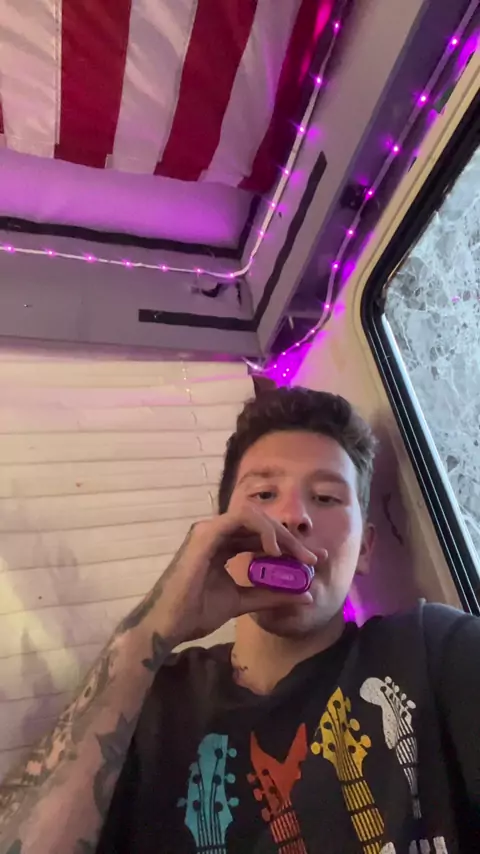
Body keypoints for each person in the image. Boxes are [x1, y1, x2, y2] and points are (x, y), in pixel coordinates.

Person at [0, 387, 479, 854]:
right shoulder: (143, 701)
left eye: (326, 497)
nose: (293, 516)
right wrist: (149, 632)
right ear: (219, 532)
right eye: (264, 493)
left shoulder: (433, 650)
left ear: (366, 549)